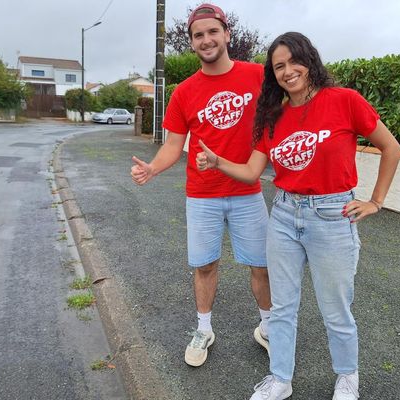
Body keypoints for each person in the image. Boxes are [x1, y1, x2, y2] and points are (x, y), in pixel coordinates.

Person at [196, 32, 400, 399]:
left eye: (294, 61)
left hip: (332, 216)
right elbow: (251, 172)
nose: (288, 71)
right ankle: (280, 379)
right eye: (279, 66)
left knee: (335, 308)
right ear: (272, 74)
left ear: (310, 60)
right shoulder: (272, 117)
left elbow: (390, 147)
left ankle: (347, 377)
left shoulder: (344, 101)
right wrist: (217, 161)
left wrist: (376, 201)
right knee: (283, 307)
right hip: (286, 216)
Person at [130, 3, 271, 367]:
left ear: (226, 34)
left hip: (247, 192)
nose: (206, 39)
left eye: (212, 32)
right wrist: (153, 168)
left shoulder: (257, 75)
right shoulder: (184, 92)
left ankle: (268, 327)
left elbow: (288, 107)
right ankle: (204, 329)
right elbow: (174, 145)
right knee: (205, 265)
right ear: (191, 43)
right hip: (203, 195)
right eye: (198, 35)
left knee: (261, 265)